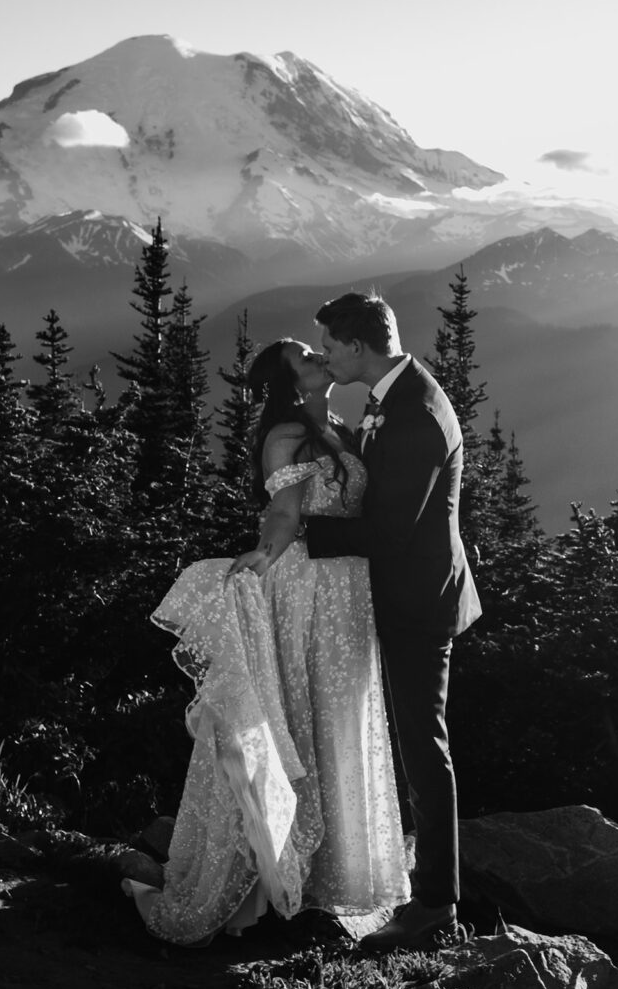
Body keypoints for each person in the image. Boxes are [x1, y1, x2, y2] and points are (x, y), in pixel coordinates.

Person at [122, 337, 410, 945]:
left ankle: (342, 873)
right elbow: (283, 512)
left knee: (344, 715)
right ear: (292, 381)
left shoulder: (334, 423)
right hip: (314, 588)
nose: (319, 360)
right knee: (311, 713)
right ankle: (287, 875)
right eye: (307, 358)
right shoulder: (288, 432)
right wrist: (263, 555)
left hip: (349, 587)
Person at [305, 292, 482, 952]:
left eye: (328, 346)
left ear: (356, 345)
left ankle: (436, 902)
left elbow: (388, 528)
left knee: (421, 747)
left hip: (416, 602)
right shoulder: (395, 396)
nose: (324, 356)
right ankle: (421, 887)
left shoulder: (415, 413)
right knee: (412, 740)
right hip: (405, 591)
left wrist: (300, 534)